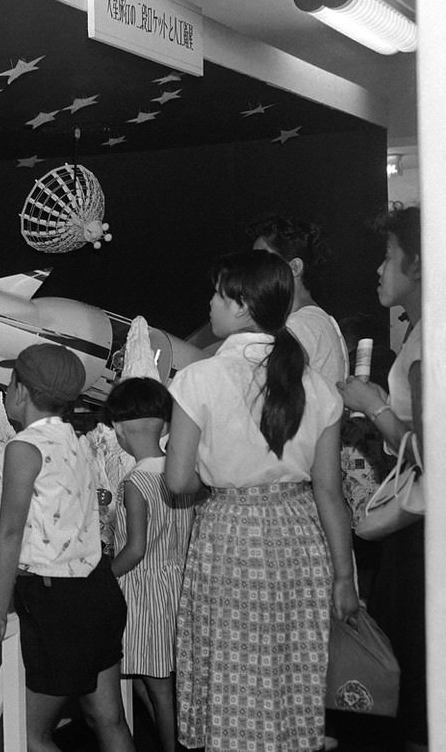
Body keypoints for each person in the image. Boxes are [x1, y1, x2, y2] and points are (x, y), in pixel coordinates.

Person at [164, 250, 358, 752]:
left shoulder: (197, 379)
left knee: (232, 672)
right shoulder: (315, 385)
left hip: (230, 536)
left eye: (217, 293)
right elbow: (330, 493)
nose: (209, 303)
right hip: (300, 541)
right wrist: (344, 577)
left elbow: (178, 480)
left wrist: (224, 487)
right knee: (290, 673)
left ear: (243, 305)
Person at [0, 343, 133, 752]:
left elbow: (9, 533)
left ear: (21, 391)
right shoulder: (77, 442)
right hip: (98, 592)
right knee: (109, 718)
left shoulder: (23, 448)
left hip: (57, 602)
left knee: (29, 733)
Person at [335, 204, 425, 751]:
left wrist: (375, 407)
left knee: (415, 671)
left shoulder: (429, 343)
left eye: (389, 256)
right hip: (416, 525)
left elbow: (434, 455)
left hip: (423, 531)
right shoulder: (420, 335)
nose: (378, 269)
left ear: (418, 264)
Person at [104, 378, 198, 752]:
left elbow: (136, 550)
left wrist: (104, 579)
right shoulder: (182, 473)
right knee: (157, 682)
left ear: (120, 431)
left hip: (143, 594)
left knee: (160, 691)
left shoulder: (135, 482)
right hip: (176, 585)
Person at [248, 214, 350, 385]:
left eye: (261, 260)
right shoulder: (311, 322)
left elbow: (240, 380)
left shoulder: (302, 326)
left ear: (294, 267)